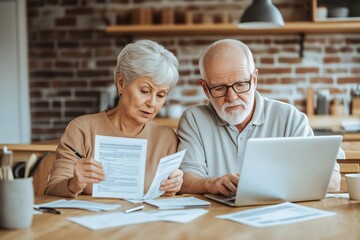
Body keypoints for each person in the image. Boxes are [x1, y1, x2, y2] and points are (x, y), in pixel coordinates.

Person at [177, 39, 342, 196]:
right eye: (219, 88)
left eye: (240, 84)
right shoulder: (194, 120)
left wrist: (269, 182)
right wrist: (211, 184)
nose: (232, 97)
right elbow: (185, 181)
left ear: (254, 80)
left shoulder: (290, 118)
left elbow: (333, 182)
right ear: (205, 89)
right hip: (214, 220)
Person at [45, 40, 183, 198]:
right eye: (145, 91)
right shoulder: (82, 129)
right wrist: (74, 183)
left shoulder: (167, 138)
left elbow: (170, 200)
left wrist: (173, 189)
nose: (152, 103)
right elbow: (51, 189)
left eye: (161, 95)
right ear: (121, 83)